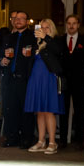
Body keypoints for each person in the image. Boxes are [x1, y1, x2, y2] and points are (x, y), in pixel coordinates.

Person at [0, 9, 35, 147]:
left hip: (25, 78)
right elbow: (0, 55)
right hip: (9, 78)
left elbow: (37, 56)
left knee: (25, 110)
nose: (18, 20)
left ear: (27, 22)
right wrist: (2, 61)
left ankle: (26, 139)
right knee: (10, 109)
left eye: (22, 18)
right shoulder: (8, 37)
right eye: (16, 18)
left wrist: (31, 55)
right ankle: (12, 137)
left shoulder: (32, 37)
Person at [24, 19, 66, 153]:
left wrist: (46, 37)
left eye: (46, 27)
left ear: (51, 29)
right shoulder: (36, 43)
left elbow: (59, 51)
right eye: (41, 27)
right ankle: (41, 141)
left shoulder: (56, 41)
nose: (43, 30)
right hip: (36, 79)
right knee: (39, 111)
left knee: (49, 110)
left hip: (49, 78)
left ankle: (52, 142)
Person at [58, 15, 84, 149]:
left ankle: (79, 139)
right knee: (63, 110)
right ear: (66, 25)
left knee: (79, 111)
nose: (71, 26)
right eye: (69, 23)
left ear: (78, 25)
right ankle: (62, 140)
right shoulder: (60, 41)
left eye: (74, 23)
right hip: (64, 80)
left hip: (79, 80)